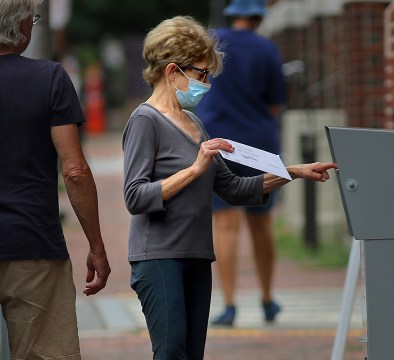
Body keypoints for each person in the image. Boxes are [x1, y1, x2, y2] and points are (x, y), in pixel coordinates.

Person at [123, 15, 337, 359]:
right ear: (172, 71)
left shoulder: (194, 122)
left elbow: (234, 188)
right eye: (201, 74)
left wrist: (293, 171)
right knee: (170, 353)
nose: (206, 84)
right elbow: (135, 197)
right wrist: (194, 169)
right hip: (159, 256)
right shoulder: (144, 120)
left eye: (209, 76)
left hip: (196, 253)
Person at [0, 1, 111, 359]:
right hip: (33, 242)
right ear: (20, 25)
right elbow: (75, 171)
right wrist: (95, 244)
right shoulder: (48, 77)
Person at [194, 0, 286, 326]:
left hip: (220, 143)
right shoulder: (267, 49)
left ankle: (230, 304)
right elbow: (276, 104)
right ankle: (267, 299)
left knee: (226, 225)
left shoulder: (211, 42)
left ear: (232, 16)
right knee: (261, 224)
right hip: (260, 143)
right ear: (259, 18)